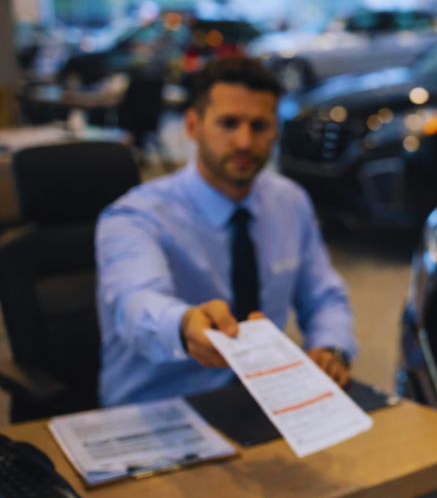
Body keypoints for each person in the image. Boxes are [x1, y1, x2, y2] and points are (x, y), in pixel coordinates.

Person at [97, 56, 356, 406]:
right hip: (161, 408)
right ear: (193, 126)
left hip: (264, 402)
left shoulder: (289, 202)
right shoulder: (135, 217)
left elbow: (324, 296)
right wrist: (184, 324)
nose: (245, 142)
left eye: (260, 126)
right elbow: (135, 302)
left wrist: (330, 345)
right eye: (229, 123)